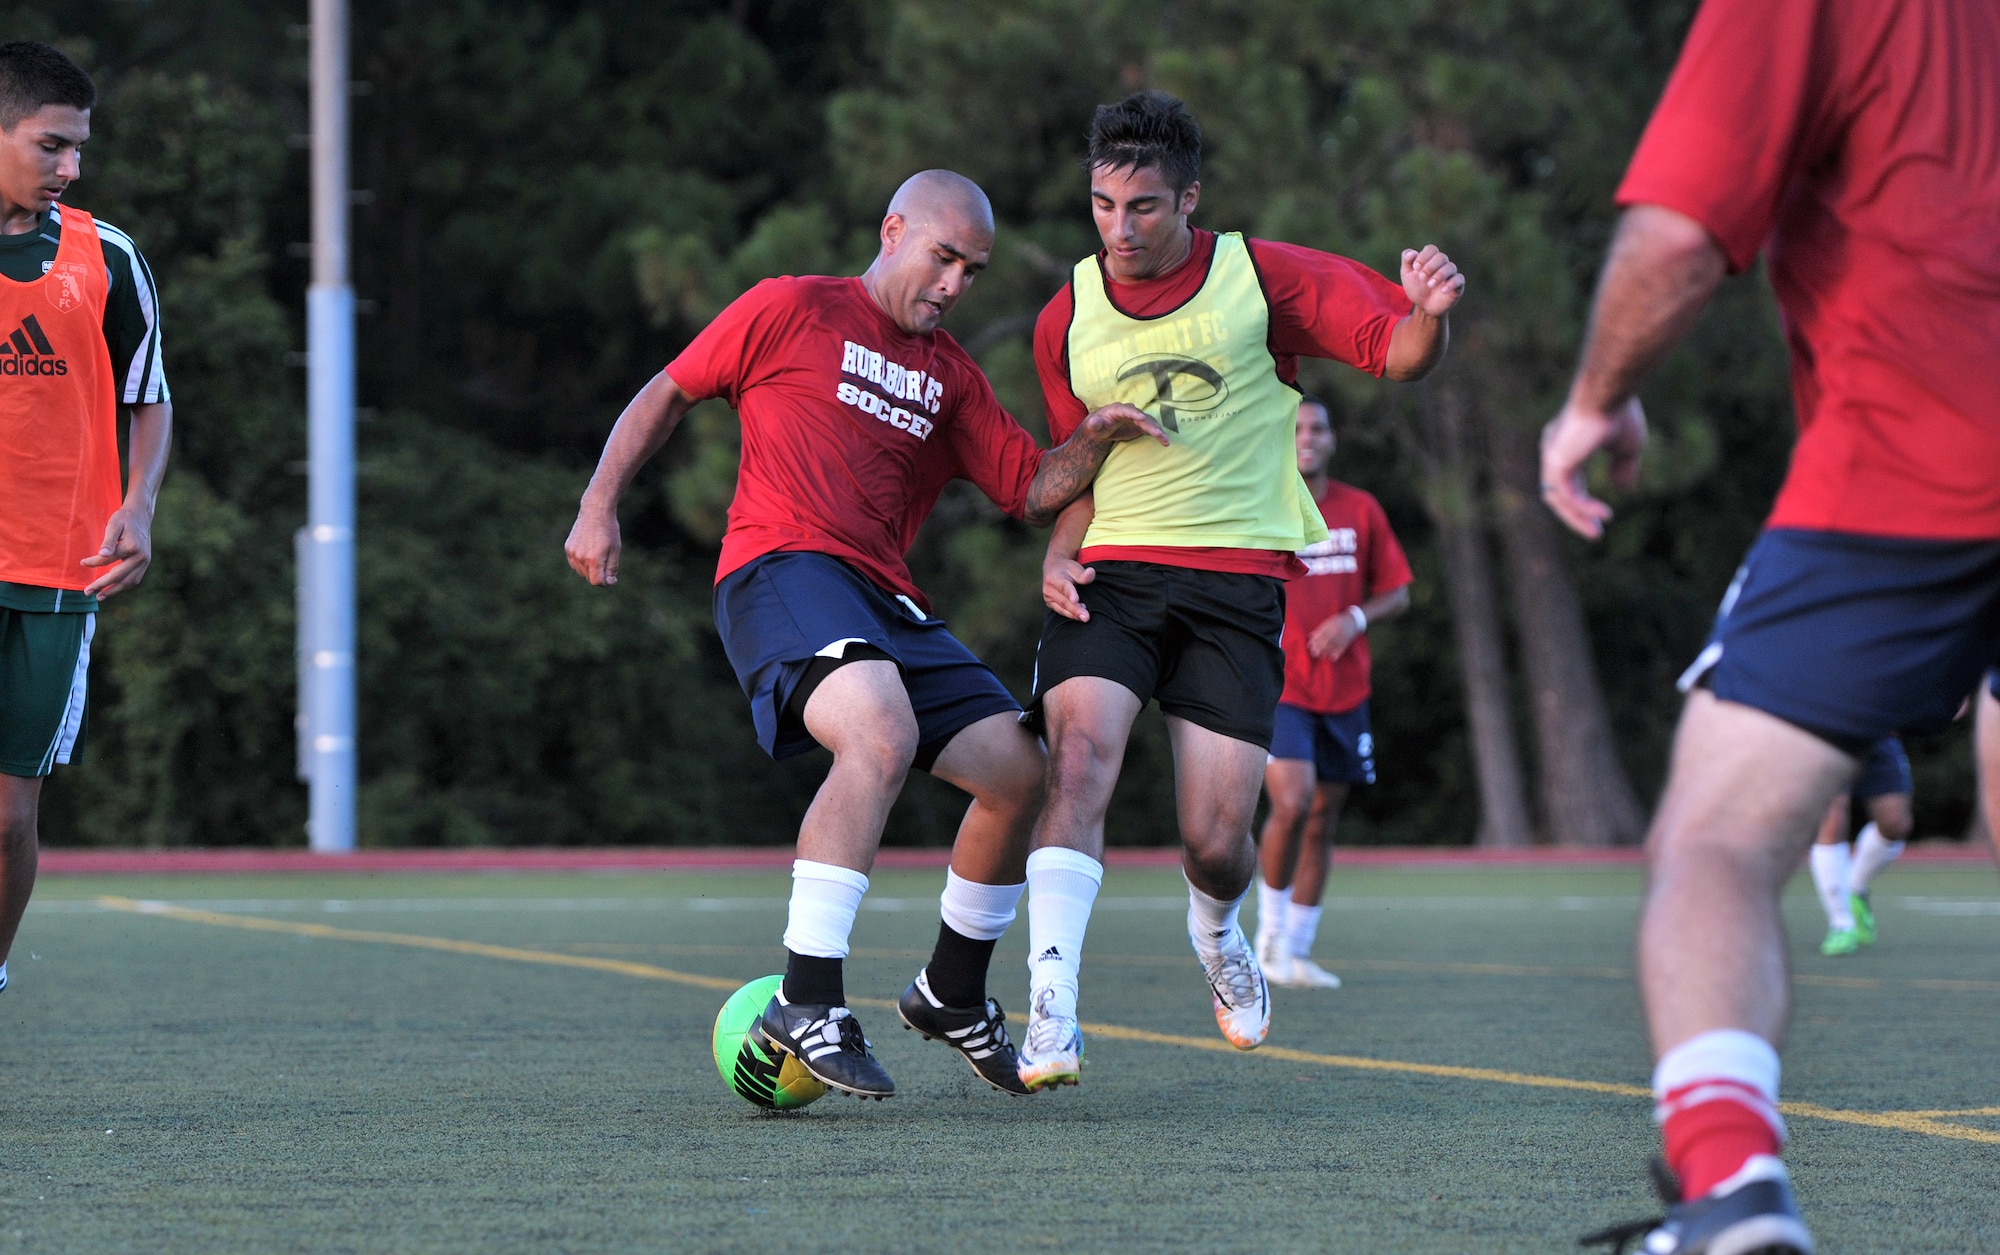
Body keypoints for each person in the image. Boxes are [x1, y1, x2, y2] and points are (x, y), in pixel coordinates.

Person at [1540, 1, 2000, 1249]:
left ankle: (1728, 1179)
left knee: (1718, 839)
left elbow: (1677, 237)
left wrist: (1595, 400)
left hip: (1917, 465)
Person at [565, 170, 1161, 1101]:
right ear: (893, 231)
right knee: (878, 731)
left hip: (886, 601)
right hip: (782, 567)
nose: (957, 283)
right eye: (945, 256)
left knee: (1021, 770)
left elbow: (1031, 489)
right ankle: (806, 998)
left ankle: (953, 993)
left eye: (974, 269)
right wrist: (599, 505)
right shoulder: (789, 308)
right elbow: (666, 391)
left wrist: (1100, 435)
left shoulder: (952, 376)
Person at [1019, 91, 1462, 1091]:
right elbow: (1075, 468)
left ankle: (1217, 930)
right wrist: (1058, 551)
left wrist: (1430, 315)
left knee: (1218, 842)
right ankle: (1048, 1008)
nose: (1117, 229)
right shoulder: (1064, 317)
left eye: (1140, 207)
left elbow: (1395, 353)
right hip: (1116, 576)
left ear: (1189, 198)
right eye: (1099, 206)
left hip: (1235, 587)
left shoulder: (1262, 277)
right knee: (1077, 761)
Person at [0, 42, 172, 996]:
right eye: (51, 145)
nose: (71, 167)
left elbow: (151, 398)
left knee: (8, 821)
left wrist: (137, 507)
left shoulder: (107, 256)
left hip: (59, 574)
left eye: (78, 149)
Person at [1253, 397, 1411, 989]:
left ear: (1333, 438)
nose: (1307, 437)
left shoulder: (1360, 508)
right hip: (1281, 686)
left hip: (1346, 692)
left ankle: (1296, 951)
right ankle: (1266, 942)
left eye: (1317, 427)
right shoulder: (1263, 501)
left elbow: (1398, 591)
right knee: (1292, 803)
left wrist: (1355, 618)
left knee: (1322, 818)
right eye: (1294, 427)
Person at [1805, 736, 1911, 957]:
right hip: (1825, 728)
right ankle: (1842, 923)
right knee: (1832, 817)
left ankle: (1855, 885)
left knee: (1895, 823)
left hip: (1878, 730)